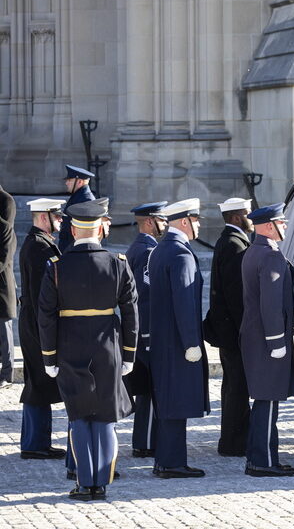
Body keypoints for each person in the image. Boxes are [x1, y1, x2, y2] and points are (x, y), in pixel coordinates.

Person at [38, 199, 138, 501]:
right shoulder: (118, 263)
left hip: (70, 347)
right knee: (105, 417)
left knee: (80, 417)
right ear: (100, 227)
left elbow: (45, 315)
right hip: (107, 347)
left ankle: (84, 484)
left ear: (72, 228)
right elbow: (131, 312)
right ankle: (101, 483)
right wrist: (129, 353)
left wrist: (49, 356)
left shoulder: (57, 267)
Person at [148, 198, 210, 479]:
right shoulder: (181, 255)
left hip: (162, 339)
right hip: (178, 341)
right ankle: (172, 462)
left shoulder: (161, 250)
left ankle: (165, 460)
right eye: (196, 220)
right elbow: (184, 302)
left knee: (167, 400)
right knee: (177, 401)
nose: (198, 225)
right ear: (185, 221)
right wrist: (191, 344)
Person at [240, 203, 294, 477]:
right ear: (268, 226)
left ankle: (264, 457)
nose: (285, 226)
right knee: (267, 400)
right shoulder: (270, 256)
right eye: (281, 222)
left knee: (267, 400)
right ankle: (262, 462)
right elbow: (271, 304)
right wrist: (277, 341)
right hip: (267, 339)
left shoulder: (256, 252)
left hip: (255, 336)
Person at [18, 198, 66, 458]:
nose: (60, 221)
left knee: (38, 383)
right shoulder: (39, 248)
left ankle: (35, 442)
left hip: (34, 323)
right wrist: (46, 333)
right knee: (38, 383)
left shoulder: (41, 244)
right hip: (37, 325)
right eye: (57, 217)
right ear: (43, 217)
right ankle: (35, 445)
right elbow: (41, 296)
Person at [205, 197, 253, 457]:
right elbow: (237, 298)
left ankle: (233, 439)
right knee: (237, 387)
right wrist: (246, 331)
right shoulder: (235, 245)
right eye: (248, 213)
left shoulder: (231, 241)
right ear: (236, 218)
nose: (252, 217)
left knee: (233, 385)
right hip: (234, 332)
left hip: (228, 330)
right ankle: (235, 443)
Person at [124, 201, 168, 458]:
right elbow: (146, 296)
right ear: (150, 221)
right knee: (150, 389)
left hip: (142, 330)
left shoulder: (141, 248)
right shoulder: (147, 251)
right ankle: (146, 441)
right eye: (162, 220)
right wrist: (149, 335)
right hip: (146, 331)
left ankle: (146, 438)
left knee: (148, 390)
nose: (165, 224)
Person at [57, 165, 95, 252]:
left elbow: (84, 232)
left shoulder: (86, 199)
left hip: (75, 250)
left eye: (69, 180)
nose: (66, 183)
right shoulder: (78, 196)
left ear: (80, 182)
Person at [0, 183, 16, 388]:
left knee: (4, 330)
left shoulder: (6, 234)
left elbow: (4, 258)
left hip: (2, 288)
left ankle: (7, 373)